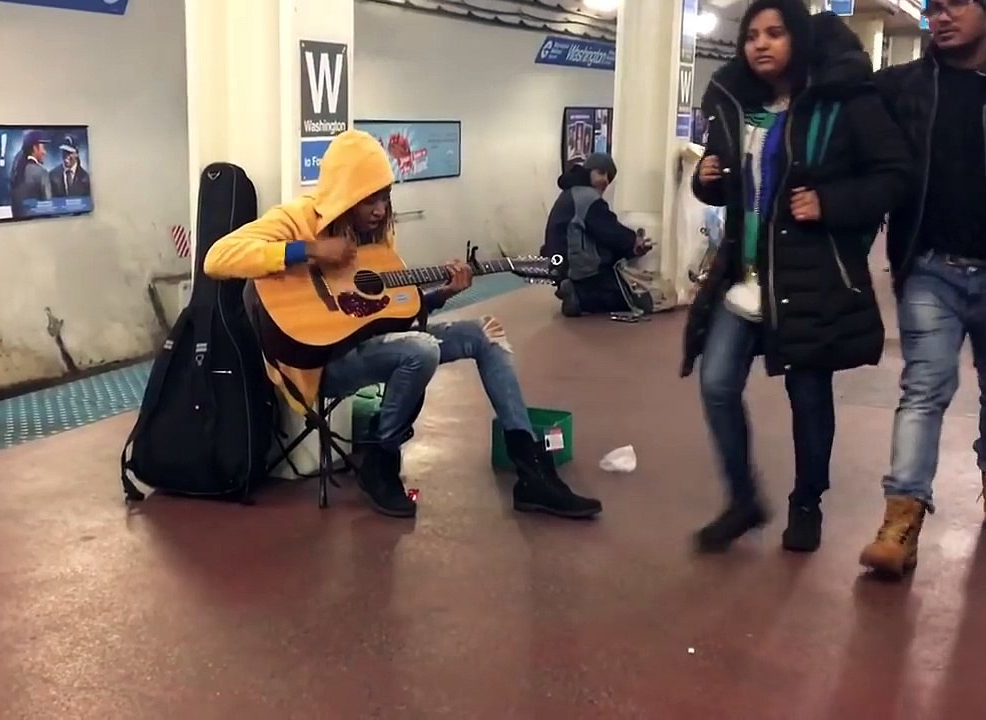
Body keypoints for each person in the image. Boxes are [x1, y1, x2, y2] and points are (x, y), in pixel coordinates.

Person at [203, 130, 602, 520]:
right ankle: (381, 458)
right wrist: (306, 249)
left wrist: (442, 294)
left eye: (385, 198)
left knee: (485, 333)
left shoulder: (377, 236)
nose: (379, 210)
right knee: (420, 349)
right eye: (368, 200)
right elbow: (217, 258)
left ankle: (530, 466)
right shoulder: (298, 219)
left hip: (377, 343)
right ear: (344, 195)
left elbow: (388, 310)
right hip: (318, 361)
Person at [682, 0, 911, 553]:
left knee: (808, 398)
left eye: (775, 33)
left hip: (811, 280)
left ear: (800, 39)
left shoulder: (844, 100)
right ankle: (742, 500)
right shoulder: (737, 104)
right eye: (752, 35)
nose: (760, 44)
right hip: (744, 276)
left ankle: (806, 502)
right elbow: (731, 182)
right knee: (716, 386)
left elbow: (896, 176)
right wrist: (708, 181)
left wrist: (832, 202)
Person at [859, 0, 986, 576]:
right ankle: (902, 515)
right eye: (932, 7)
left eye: (955, 5)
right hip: (929, 267)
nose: (940, 17)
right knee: (923, 387)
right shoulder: (903, 88)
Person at [542, 152, 650, 316]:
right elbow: (609, 230)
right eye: (601, 172)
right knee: (635, 298)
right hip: (582, 272)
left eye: (609, 177)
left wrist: (630, 249)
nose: (605, 180)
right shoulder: (586, 197)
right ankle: (580, 297)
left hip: (563, 268)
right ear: (587, 172)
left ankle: (572, 290)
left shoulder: (571, 194)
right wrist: (633, 240)